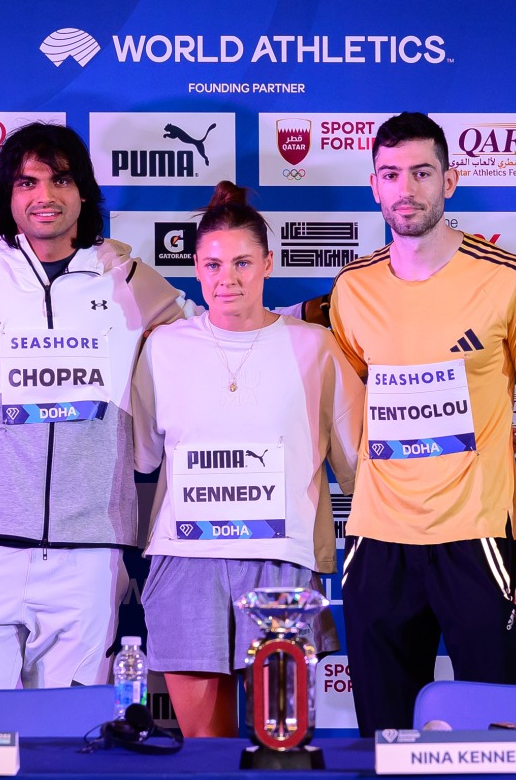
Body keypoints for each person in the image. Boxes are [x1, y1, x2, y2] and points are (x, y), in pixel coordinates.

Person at [0, 122, 199, 690]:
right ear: (7, 195)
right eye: (27, 182)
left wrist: (306, 314)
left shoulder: (131, 279)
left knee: (71, 740)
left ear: (84, 191)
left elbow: (210, 346)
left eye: (60, 179)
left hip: (89, 549)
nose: (44, 196)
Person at [329, 112, 516, 735]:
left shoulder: (507, 278)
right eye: (390, 174)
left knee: (504, 738)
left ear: (450, 181)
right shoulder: (352, 289)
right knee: (382, 740)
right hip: (377, 544)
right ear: (374, 187)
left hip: (478, 538)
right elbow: (351, 404)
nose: (405, 188)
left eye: (421, 172)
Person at [129, 181, 362, 737]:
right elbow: (141, 457)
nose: (225, 278)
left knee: (279, 746)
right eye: (211, 264)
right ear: (195, 266)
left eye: (241, 262)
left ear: (267, 264)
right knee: (205, 754)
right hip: (185, 559)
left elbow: (359, 460)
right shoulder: (164, 347)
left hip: (280, 559)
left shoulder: (315, 346)